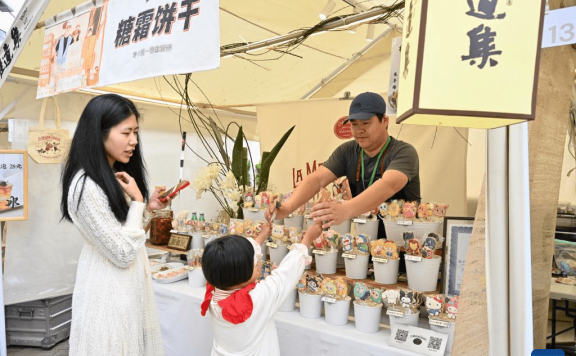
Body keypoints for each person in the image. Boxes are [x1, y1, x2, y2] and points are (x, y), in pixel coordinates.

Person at [60, 94, 168, 356]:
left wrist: (146, 208)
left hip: (123, 288)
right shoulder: (86, 185)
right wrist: (139, 201)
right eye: (126, 132)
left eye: (136, 132)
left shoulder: (110, 175)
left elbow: (121, 233)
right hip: (107, 293)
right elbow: (122, 252)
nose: (134, 141)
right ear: (99, 133)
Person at [266, 92, 420, 240]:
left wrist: (345, 210)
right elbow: (317, 179)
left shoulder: (404, 152)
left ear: (385, 121)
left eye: (366, 123)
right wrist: (289, 207)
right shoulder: (347, 151)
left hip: (405, 244)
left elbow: (388, 185)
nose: (359, 130)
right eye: (354, 124)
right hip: (365, 243)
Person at [201, 220, 321, 355]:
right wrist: (308, 238)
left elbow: (237, 258)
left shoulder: (216, 285)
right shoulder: (257, 298)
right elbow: (286, 273)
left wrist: (262, 235)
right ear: (242, 273)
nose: (259, 263)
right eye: (255, 263)